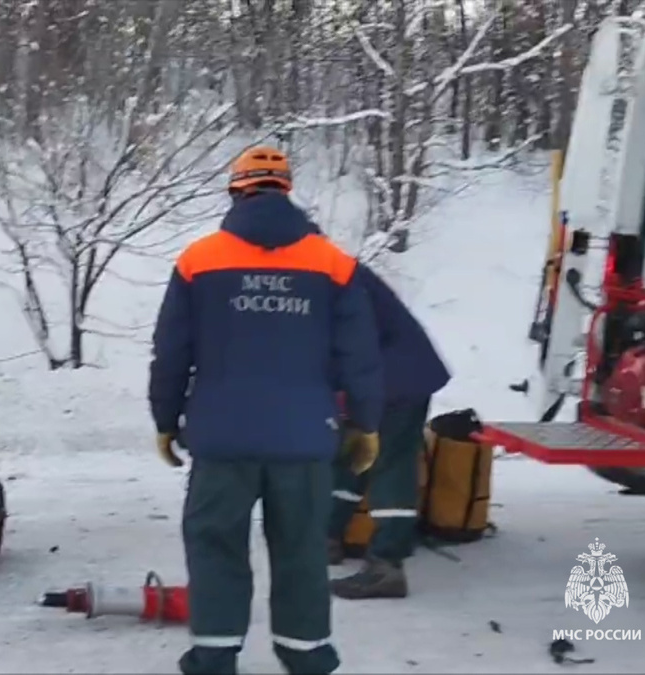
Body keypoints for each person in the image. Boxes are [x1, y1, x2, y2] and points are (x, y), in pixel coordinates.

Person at [148, 145, 385, 675]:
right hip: (303, 440)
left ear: (236, 189)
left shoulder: (198, 260)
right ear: (287, 190)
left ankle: (214, 655)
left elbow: (171, 352)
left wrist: (166, 420)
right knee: (301, 549)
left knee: (214, 546)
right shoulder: (332, 262)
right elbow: (360, 356)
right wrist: (366, 424)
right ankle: (306, 657)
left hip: (221, 438)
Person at [326, 263, 451, 600]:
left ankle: (387, 565)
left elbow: (354, 340)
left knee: (389, 463)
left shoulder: (332, 277)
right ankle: (327, 537)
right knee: (349, 455)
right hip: (373, 377)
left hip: (399, 379)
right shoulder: (322, 270)